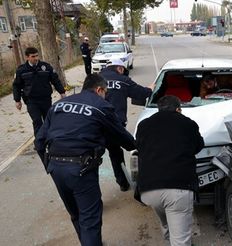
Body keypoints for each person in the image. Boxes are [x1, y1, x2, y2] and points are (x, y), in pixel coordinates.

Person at [35, 74, 136, 245]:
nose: (106, 96)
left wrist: (49, 166)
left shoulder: (58, 105)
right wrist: (138, 146)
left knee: (76, 214)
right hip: (81, 169)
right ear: (99, 90)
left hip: (56, 168)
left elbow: (39, 142)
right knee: (90, 219)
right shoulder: (101, 106)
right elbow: (121, 137)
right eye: (106, 92)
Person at [135, 95, 204, 246]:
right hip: (178, 188)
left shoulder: (144, 124)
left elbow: (140, 148)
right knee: (180, 240)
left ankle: (170, 239)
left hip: (149, 189)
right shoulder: (188, 123)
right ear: (178, 109)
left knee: (167, 223)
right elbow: (198, 146)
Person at [100, 59, 155, 191]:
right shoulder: (123, 80)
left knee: (100, 155)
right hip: (115, 125)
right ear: (119, 68)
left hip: (95, 124)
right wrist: (150, 88)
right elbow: (141, 93)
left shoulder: (95, 79)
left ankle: (120, 184)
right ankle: (129, 182)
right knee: (126, 150)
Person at [13, 47, 66, 138]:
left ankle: (50, 140)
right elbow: (16, 85)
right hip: (31, 101)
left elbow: (55, 80)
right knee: (37, 121)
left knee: (48, 120)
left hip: (45, 99)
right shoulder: (21, 70)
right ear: (27, 57)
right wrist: (17, 100)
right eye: (33, 56)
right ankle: (39, 142)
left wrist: (62, 92)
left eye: (37, 56)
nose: (36, 58)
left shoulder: (45, 67)